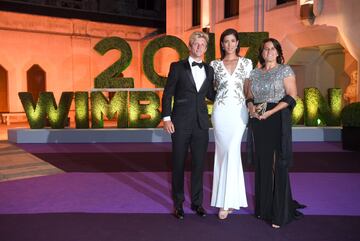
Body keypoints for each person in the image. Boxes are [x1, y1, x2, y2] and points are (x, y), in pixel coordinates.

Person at [246, 38, 306, 228]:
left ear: (278, 52)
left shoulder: (285, 70)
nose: (269, 52)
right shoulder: (254, 73)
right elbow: (249, 95)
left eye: (272, 49)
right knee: (263, 164)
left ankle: (280, 212)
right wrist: (250, 108)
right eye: (266, 49)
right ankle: (264, 209)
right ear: (261, 53)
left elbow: (292, 95)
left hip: (277, 118)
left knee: (276, 164)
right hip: (259, 122)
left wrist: (271, 112)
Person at [162, 31, 216, 220]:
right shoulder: (177, 67)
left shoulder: (209, 70)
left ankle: (197, 203)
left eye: (203, 44)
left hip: (201, 123)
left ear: (206, 48)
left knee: (199, 164)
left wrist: (231, 91)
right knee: (178, 163)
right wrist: (167, 118)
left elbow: (211, 94)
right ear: (190, 46)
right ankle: (178, 204)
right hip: (180, 123)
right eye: (196, 44)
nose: (199, 47)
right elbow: (168, 93)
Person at [210, 28, 252, 220]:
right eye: (225, 41)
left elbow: (248, 88)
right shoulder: (214, 65)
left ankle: (226, 203)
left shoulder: (246, 63)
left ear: (237, 43)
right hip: (220, 112)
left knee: (233, 150)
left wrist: (252, 105)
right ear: (221, 44)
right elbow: (210, 90)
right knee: (223, 154)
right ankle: (231, 200)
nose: (229, 44)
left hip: (238, 112)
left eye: (232, 41)